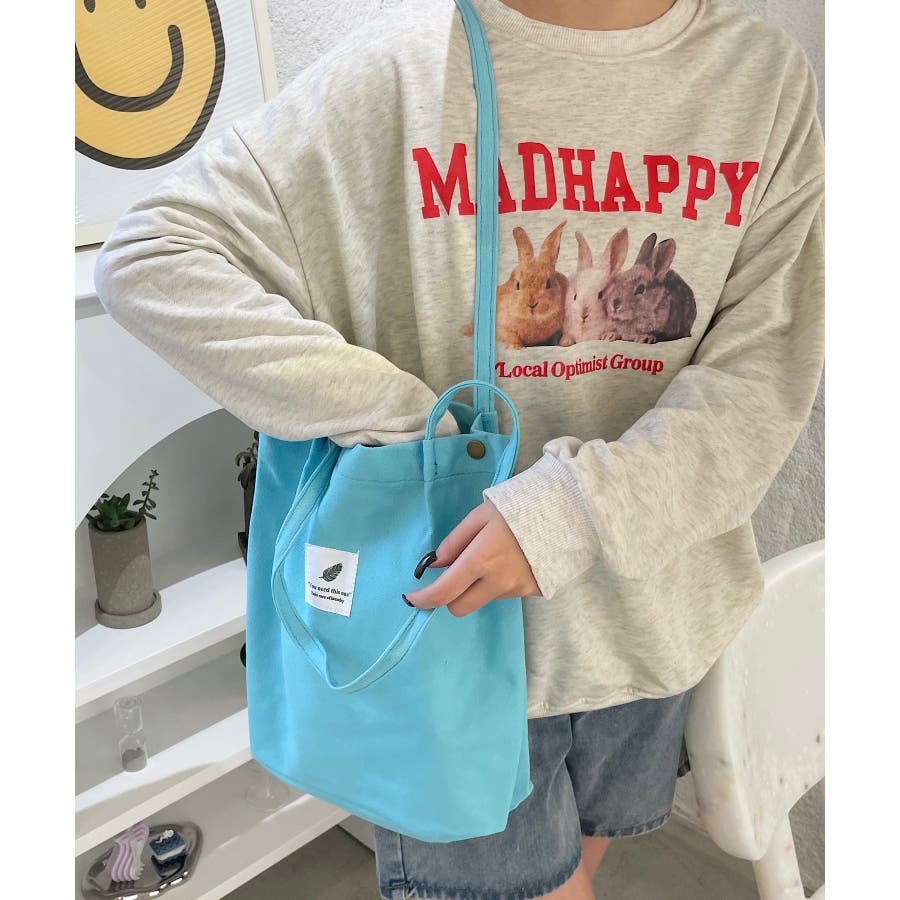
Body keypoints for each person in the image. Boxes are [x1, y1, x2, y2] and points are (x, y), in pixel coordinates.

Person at [92, 0, 825, 897]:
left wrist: (571, 513)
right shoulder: (394, 73)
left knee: (586, 860)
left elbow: (760, 379)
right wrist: (413, 425)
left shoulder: (762, 81)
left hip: (653, 621)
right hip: (451, 646)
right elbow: (153, 255)